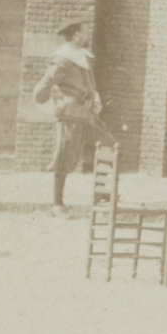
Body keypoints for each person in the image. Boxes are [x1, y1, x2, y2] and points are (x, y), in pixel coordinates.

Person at [37, 20, 103, 209]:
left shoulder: (81, 57)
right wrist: (56, 107)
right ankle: (57, 203)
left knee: (108, 146)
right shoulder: (63, 60)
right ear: (76, 36)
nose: (88, 35)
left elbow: (88, 85)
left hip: (86, 113)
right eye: (85, 32)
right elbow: (41, 89)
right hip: (70, 116)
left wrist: (95, 98)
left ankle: (105, 195)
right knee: (65, 157)